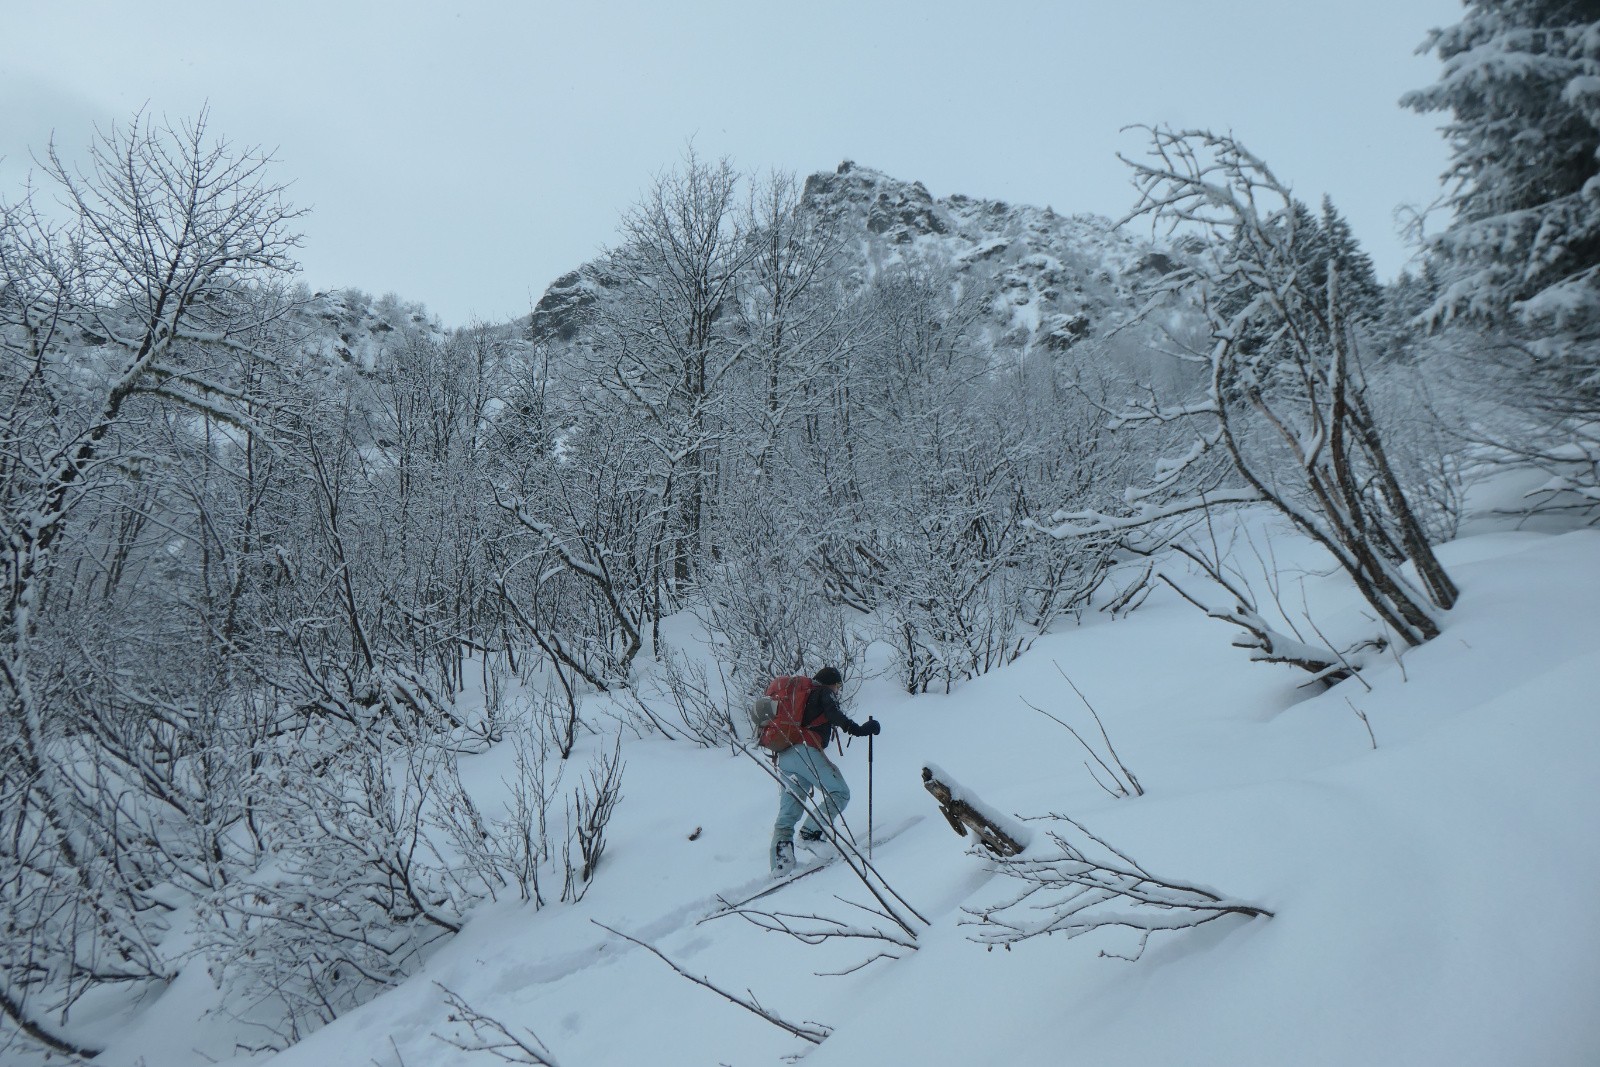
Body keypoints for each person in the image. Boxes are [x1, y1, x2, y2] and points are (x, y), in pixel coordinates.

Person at [770, 667, 880, 873]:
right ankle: (810, 834)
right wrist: (859, 729)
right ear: (831, 683)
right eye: (838, 685)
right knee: (840, 792)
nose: (838, 690)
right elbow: (833, 713)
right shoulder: (823, 692)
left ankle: (780, 866)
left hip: (785, 755)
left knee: (787, 815)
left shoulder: (797, 698)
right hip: (806, 751)